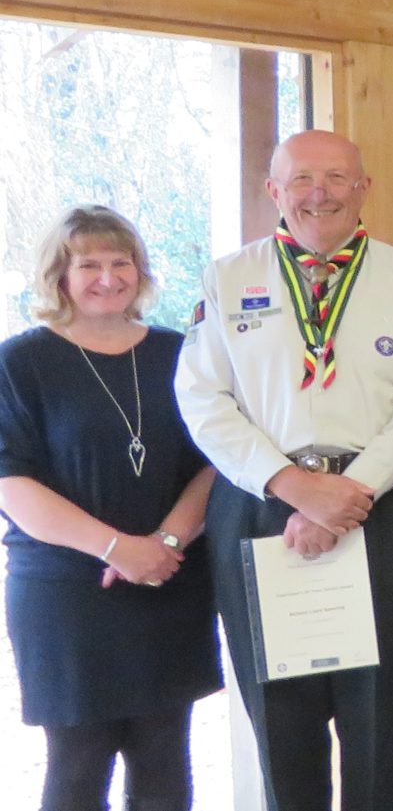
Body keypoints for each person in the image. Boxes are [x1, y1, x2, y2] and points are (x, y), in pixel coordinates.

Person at [175, 129, 393, 811]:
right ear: (274, 191)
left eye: (336, 177)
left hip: (379, 505)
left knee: (379, 713)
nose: (319, 193)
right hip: (261, 505)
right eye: (301, 179)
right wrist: (291, 484)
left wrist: (350, 492)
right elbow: (202, 398)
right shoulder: (229, 277)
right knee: (281, 716)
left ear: (363, 188)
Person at [0, 206, 219, 811]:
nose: (107, 276)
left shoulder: (182, 353)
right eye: (88, 263)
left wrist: (166, 546)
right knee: (77, 766)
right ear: (59, 276)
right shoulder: (21, 362)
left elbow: (215, 461)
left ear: (140, 271)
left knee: (164, 762)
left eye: (120, 261)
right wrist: (120, 549)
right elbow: (11, 484)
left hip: (169, 582)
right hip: (68, 595)